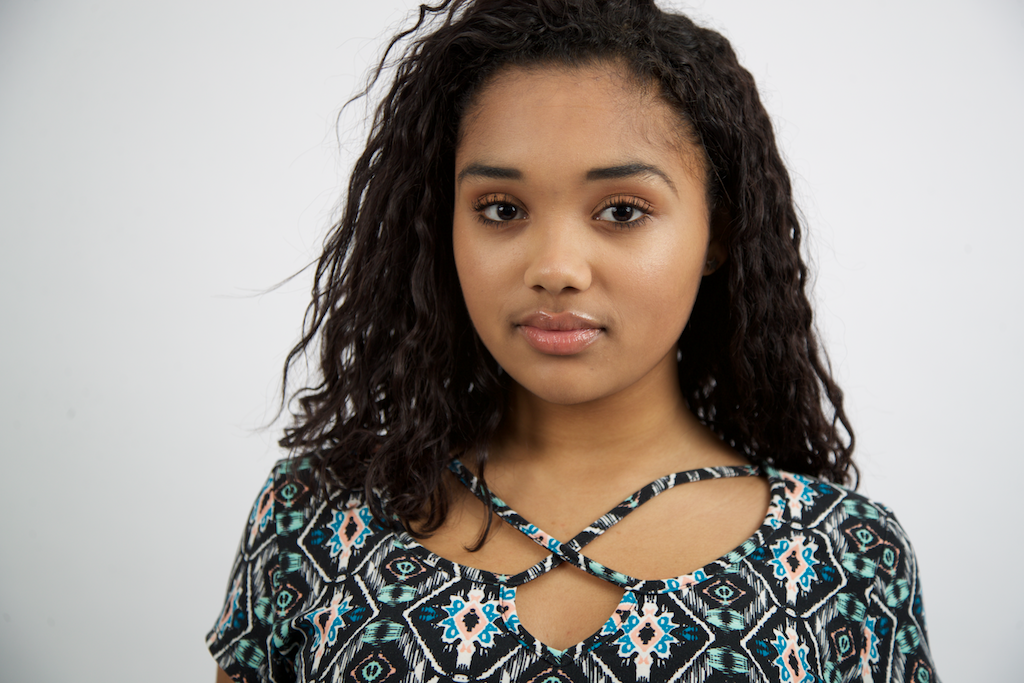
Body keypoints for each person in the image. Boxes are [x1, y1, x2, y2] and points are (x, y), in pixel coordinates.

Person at [207, 0, 938, 681]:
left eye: (621, 211)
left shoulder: (850, 559)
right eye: (501, 208)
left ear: (718, 234)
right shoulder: (312, 519)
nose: (555, 268)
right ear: (440, 226)